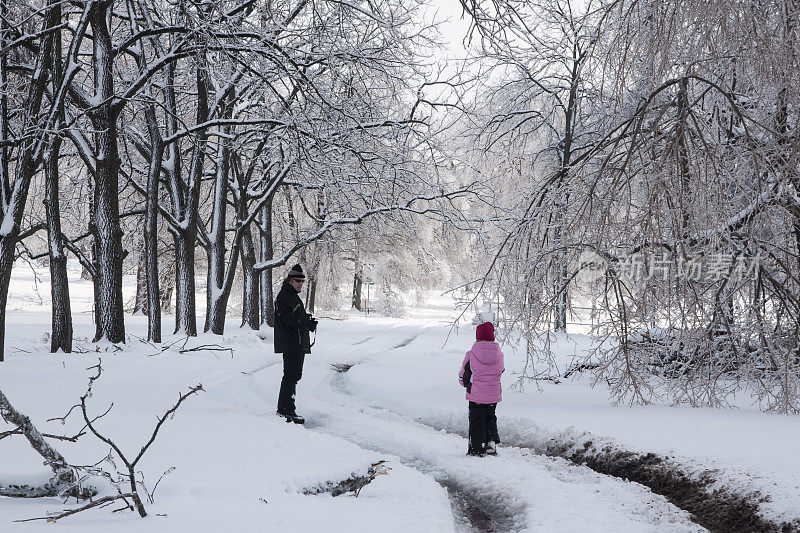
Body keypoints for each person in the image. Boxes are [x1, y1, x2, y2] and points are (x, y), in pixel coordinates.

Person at [274, 264, 318, 424]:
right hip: (291, 343)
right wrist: (303, 321)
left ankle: (286, 409)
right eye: (297, 280)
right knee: (291, 376)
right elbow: (287, 319)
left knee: (293, 376)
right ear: (290, 281)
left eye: (302, 281)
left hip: (295, 343)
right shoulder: (285, 296)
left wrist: (308, 323)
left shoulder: (291, 295)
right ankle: (286, 411)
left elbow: (295, 318)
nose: (300, 283)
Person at [458, 321, 504, 457]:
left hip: (476, 395)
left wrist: (467, 385)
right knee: (490, 417)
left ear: (477, 336)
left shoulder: (471, 354)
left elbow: (464, 376)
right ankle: (491, 443)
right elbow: (501, 371)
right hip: (493, 394)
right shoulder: (500, 355)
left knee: (476, 420)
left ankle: (476, 448)